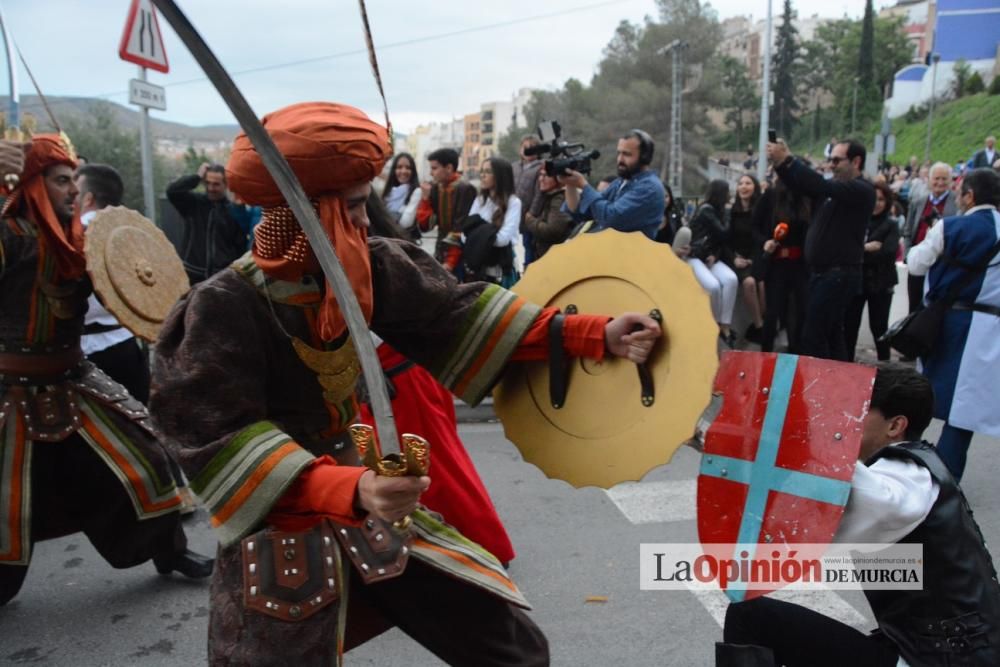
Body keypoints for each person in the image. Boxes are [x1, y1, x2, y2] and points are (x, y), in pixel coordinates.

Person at [148, 102, 661, 666]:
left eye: (364, 203)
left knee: (512, 651)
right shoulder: (222, 305)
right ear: (301, 213)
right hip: (283, 523)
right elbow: (210, 436)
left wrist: (595, 334)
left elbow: (456, 313)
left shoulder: (365, 266)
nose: (366, 221)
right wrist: (346, 488)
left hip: (370, 505)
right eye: (349, 207)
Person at [0, 136, 212, 607]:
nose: (72, 190)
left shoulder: (81, 239)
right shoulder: (8, 233)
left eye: (73, 181)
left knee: (146, 459)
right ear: (32, 184)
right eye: (60, 181)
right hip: (11, 387)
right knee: (6, 497)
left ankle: (169, 551)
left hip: (74, 376)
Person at [718, 364, 1000, 667]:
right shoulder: (914, 466)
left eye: (859, 412)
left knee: (750, 616)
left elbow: (874, 501)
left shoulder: (904, 476)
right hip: (934, 650)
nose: (845, 420)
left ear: (895, 426)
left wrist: (804, 437)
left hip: (939, 660)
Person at [358, 194, 515, 564]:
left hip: (398, 377)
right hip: (391, 375)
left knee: (435, 468)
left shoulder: (379, 255)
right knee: (417, 470)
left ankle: (481, 545)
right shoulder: (362, 248)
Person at [906, 168, 1000, 481]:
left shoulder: (951, 226)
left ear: (970, 196)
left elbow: (916, 263)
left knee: (924, 393)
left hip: (949, 322)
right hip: (991, 327)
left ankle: (908, 465)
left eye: (961, 192)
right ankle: (946, 478)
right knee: (967, 408)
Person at [768, 138, 875, 361]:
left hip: (838, 275)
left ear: (856, 161)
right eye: (830, 160)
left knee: (813, 336)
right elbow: (801, 185)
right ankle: (838, 388)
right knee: (832, 335)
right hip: (823, 274)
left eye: (837, 160)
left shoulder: (861, 190)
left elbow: (819, 183)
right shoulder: (834, 191)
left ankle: (823, 389)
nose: (831, 165)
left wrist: (789, 159)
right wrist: (781, 165)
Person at [559, 129, 665, 239]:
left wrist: (583, 185)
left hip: (631, 254)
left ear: (645, 157)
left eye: (627, 154)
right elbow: (581, 212)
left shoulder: (649, 187)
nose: (620, 159)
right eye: (619, 153)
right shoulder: (620, 182)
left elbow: (611, 219)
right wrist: (570, 184)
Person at [166, 162, 249, 284]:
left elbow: (240, 245)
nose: (211, 188)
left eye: (216, 184)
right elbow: (172, 191)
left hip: (221, 277)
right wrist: (197, 177)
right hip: (192, 275)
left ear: (225, 185)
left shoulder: (233, 211)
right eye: (208, 183)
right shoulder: (194, 204)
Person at [844, 181, 900, 362]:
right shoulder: (857, 221)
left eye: (881, 199)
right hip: (857, 281)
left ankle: (885, 367)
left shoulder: (891, 224)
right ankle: (846, 365)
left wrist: (861, 251)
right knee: (850, 325)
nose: (877, 203)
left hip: (882, 283)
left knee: (879, 327)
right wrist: (867, 248)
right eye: (874, 199)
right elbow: (848, 250)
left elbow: (889, 252)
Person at [754, 173, 810, 353]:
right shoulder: (770, 197)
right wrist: (765, 242)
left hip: (800, 265)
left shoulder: (806, 200)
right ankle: (766, 354)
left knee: (798, 312)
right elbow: (754, 226)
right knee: (772, 312)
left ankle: (796, 353)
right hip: (777, 263)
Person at [688, 179, 739, 346]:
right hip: (694, 256)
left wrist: (715, 256)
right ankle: (715, 326)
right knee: (713, 286)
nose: (729, 196)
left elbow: (718, 241)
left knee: (731, 279)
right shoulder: (706, 210)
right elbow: (724, 233)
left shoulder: (716, 210)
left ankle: (725, 325)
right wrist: (729, 212)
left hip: (710, 256)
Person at [902, 162, 957, 315]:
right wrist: (908, 254)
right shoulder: (918, 201)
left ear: (951, 181)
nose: (940, 183)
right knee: (914, 307)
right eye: (936, 178)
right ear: (929, 180)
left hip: (942, 265)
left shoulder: (957, 202)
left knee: (935, 309)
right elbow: (908, 230)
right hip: (918, 263)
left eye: (944, 179)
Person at [415, 147, 477, 276]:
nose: (431, 173)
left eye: (434, 168)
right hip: (441, 249)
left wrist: (450, 262)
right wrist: (425, 200)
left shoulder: (465, 188)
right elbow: (425, 226)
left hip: (460, 253)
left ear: (448, 168)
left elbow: (461, 226)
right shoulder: (435, 188)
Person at [463, 156, 521, 287]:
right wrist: (490, 231)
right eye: (482, 171)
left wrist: (479, 231)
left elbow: (503, 239)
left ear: (500, 176)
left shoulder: (513, 202)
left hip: (501, 265)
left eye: (488, 172)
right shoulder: (480, 200)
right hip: (479, 264)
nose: (483, 175)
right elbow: (465, 233)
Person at [728, 174, 765, 342]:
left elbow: (762, 239)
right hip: (735, 259)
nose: (744, 186)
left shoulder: (761, 211)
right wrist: (734, 258)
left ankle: (767, 322)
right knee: (749, 283)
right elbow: (725, 240)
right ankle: (759, 327)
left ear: (755, 187)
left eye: (748, 183)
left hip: (755, 258)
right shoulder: (730, 212)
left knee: (763, 283)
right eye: (741, 183)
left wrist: (753, 259)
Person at [522, 167, 573, 260]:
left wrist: (530, 220)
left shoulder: (559, 199)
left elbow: (552, 230)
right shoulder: (548, 196)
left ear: (558, 178)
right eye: (540, 175)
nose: (541, 179)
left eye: (546, 175)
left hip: (555, 258)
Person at [513, 135, 543, 267]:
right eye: (525, 148)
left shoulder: (540, 168)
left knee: (528, 244)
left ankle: (528, 269)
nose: (528, 151)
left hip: (529, 214)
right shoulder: (514, 167)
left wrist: (532, 213)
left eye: (532, 148)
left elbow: (539, 193)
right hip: (513, 212)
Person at [380, 152, 421, 243]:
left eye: (408, 168)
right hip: (385, 241)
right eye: (399, 167)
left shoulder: (416, 192)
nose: (403, 171)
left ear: (413, 171)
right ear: (394, 170)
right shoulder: (388, 192)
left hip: (403, 243)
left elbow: (406, 223)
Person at [654, 182, 684, 247]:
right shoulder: (645, 217)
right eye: (660, 196)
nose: (663, 200)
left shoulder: (675, 216)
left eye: (666, 196)